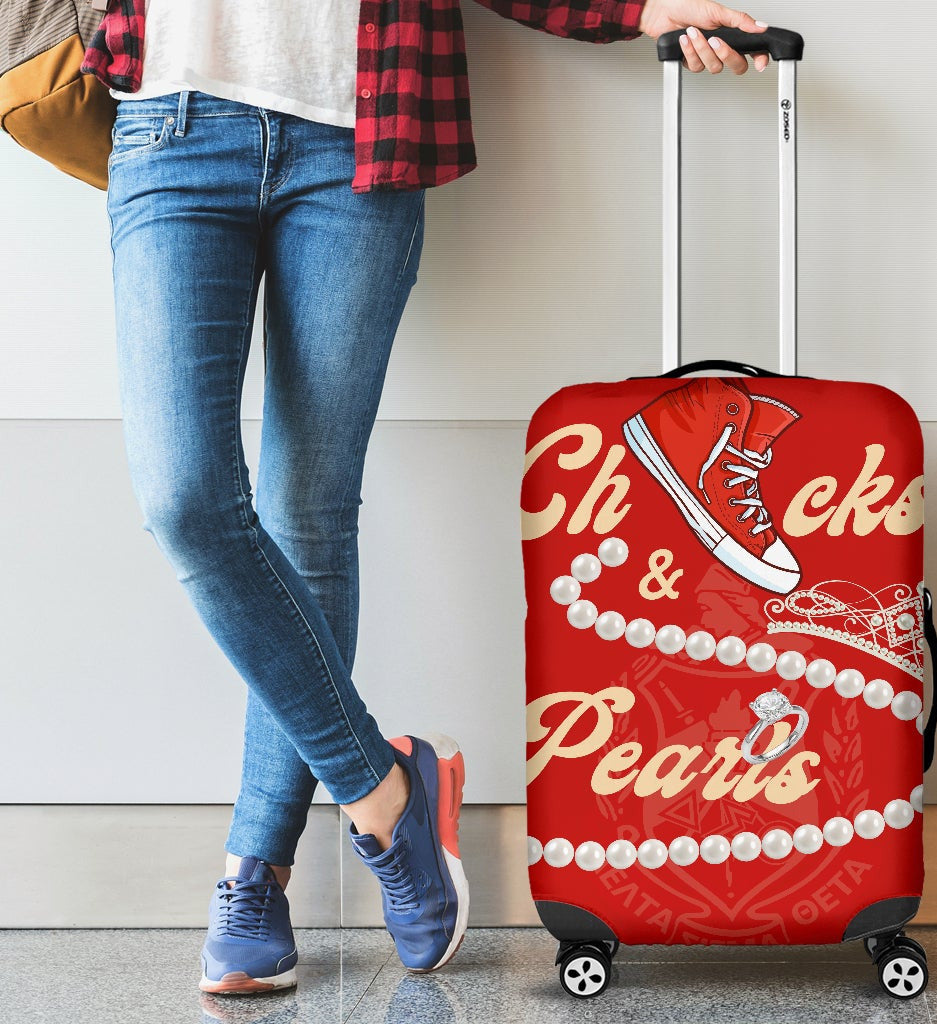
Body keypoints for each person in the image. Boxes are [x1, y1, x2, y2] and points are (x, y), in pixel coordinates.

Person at [85, 0, 770, 997]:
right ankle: (384, 786)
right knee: (186, 499)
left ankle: (256, 873)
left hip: (357, 134)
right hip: (170, 123)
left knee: (308, 509)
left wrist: (638, 9)